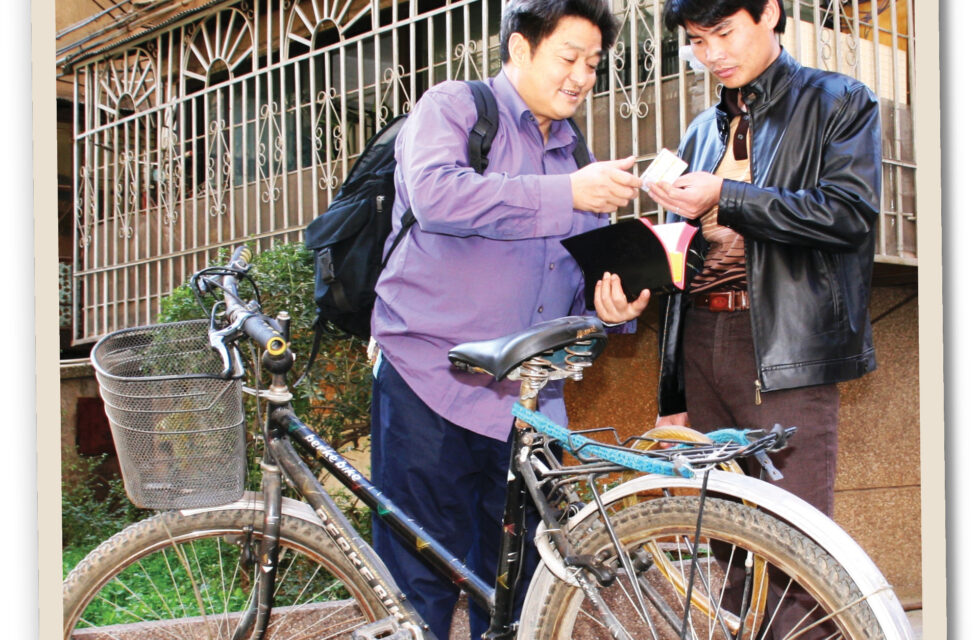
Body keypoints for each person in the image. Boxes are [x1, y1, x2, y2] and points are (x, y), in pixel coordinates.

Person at [595, 0, 881, 635]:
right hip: (702, 340)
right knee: (725, 541)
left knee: (798, 551)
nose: (712, 54)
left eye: (723, 32)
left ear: (770, 13)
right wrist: (641, 279)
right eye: (698, 42)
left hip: (783, 344)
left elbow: (849, 214)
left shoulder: (839, 100)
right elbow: (684, 259)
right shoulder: (701, 131)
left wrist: (728, 196)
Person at [369, 1, 641, 637]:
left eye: (594, 65)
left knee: (521, 589)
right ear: (520, 49)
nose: (581, 76)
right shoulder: (456, 108)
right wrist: (566, 195)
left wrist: (612, 311)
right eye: (568, 57)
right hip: (427, 377)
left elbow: (571, 283)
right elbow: (436, 195)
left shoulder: (578, 155)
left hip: (529, 401)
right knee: (417, 581)